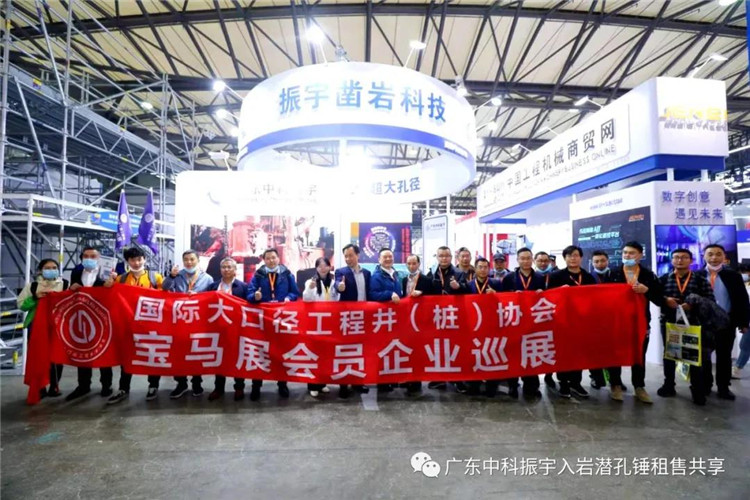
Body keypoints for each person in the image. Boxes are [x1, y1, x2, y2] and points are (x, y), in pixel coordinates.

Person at [104, 245, 165, 405]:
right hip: (128, 325)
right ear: (127, 261)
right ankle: (123, 388)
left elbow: (165, 299)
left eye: (139, 259)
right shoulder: (121, 279)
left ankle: (153, 386)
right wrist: (107, 285)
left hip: (150, 324)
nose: (136, 263)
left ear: (144, 259)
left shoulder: (156, 278)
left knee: (152, 354)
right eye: (132, 260)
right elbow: (111, 297)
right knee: (127, 356)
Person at [607, 241, 663, 404]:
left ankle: (639, 386)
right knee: (615, 353)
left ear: (640, 255)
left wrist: (647, 291)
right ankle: (615, 385)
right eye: (625, 252)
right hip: (617, 321)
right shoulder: (613, 273)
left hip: (640, 321)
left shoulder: (648, 275)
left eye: (631, 253)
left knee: (639, 354)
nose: (627, 255)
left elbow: (659, 299)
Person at [657, 248, 715, 406]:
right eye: (676, 257)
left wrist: (693, 304)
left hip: (693, 324)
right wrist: (665, 300)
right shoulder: (663, 279)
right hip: (670, 324)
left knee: (694, 357)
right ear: (672, 260)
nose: (680, 260)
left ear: (691, 260)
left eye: (684, 257)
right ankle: (669, 385)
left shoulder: (700, 280)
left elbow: (710, 300)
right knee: (669, 355)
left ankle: (697, 389)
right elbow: (655, 297)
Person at [162, 249, 215, 399]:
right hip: (179, 321)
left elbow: (211, 298)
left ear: (198, 260)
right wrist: (171, 276)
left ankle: (197, 383)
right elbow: (165, 288)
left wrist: (199, 297)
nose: (189, 262)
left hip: (198, 321)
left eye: (192, 259)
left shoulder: (207, 278)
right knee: (179, 353)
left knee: (196, 353)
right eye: (186, 260)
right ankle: (181, 383)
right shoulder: (177, 276)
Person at [247, 248, 298, 401]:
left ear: (278, 258)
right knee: (260, 352)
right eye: (268, 258)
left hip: (281, 318)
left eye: (273, 257)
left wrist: (289, 298)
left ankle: (282, 384)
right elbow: (249, 294)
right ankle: (256, 385)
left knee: (281, 351)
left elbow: (295, 292)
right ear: (264, 260)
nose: (271, 260)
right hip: (263, 319)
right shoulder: (258, 275)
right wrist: (255, 296)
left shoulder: (287, 274)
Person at [700, 244, 749, 400]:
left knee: (724, 356)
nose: (714, 257)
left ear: (724, 257)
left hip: (726, 323)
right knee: (704, 357)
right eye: (710, 254)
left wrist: (744, 323)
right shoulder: (696, 275)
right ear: (704, 256)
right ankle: (705, 385)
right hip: (703, 324)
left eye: (718, 254)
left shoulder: (733, 276)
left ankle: (723, 387)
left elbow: (742, 300)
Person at [548, 245, 597, 399]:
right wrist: (559, 292)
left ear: (581, 257)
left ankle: (576, 383)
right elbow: (548, 297)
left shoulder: (588, 277)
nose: (573, 258)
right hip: (562, 321)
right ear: (565, 258)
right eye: (569, 256)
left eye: (576, 255)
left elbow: (595, 298)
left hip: (582, 321)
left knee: (579, 352)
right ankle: (563, 383)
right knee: (563, 352)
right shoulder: (556, 276)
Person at [17, 258, 70, 399]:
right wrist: (35, 298)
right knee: (38, 356)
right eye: (47, 268)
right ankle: (40, 386)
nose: (51, 270)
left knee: (57, 356)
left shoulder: (64, 285)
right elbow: (21, 305)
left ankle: (54, 385)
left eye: (54, 267)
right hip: (37, 326)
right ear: (41, 270)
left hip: (58, 326)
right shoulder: (33, 286)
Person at [66, 247, 113, 401]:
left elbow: (114, 294)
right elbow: (72, 293)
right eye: (86, 256)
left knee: (104, 351)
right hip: (83, 317)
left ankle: (106, 385)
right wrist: (71, 288)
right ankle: (83, 385)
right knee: (83, 352)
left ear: (99, 258)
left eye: (93, 256)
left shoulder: (107, 273)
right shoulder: (76, 272)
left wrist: (111, 284)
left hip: (102, 317)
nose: (89, 259)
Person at [501, 248, 547, 399]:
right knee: (514, 353)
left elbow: (546, 299)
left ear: (532, 259)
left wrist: (542, 293)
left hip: (533, 321)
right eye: (522, 258)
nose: (525, 261)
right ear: (518, 260)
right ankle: (512, 385)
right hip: (514, 321)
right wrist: (512, 296)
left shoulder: (540, 277)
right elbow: (502, 298)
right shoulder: (509, 278)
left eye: (528, 258)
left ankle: (531, 386)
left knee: (531, 352)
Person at [426, 246, 468, 390]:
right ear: (437, 257)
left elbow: (467, 290)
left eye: (446, 256)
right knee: (439, 348)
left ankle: (458, 380)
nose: (444, 258)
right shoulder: (432, 273)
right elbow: (427, 292)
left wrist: (459, 287)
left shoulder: (459, 273)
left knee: (456, 348)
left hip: (454, 316)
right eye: (441, 256)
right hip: (437, 316)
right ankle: (439, 378)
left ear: (451, 257)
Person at [207, 257, 249, 402]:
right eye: (223, 267)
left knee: (238, 358)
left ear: (235, 269)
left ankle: (239, 387)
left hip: (237, 328)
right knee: (220, 358)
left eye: (229, 267)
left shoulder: (243, 287)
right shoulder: (213, 286)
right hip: (218, 328)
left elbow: (249, 307)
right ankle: (219, 388)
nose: (226, 270)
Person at [334, 244, 372, 398]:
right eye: (346, 256)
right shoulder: (341, 272)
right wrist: (340, 286)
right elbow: (337, 284)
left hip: (363, 317)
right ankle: (343, 385)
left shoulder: (367, 273)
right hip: (347, 317)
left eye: (351, 255)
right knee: (345, 351)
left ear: (358, 255)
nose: (348, 259)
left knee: (360, 351)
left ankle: (358, 382)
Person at [302, 257, 339, 397]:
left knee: (326, 355)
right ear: (316, 268)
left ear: (329, 267)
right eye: (320, 266)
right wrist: (310, 289)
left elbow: (337, 300)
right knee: (314, 354)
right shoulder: (310, 282)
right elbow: (306, 299)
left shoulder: (334, 282)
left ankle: (322, 383)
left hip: (329, 323)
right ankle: (312, 384)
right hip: (315, 323)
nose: (323, 268)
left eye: (325, 265)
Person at [466, 257, 503, 396]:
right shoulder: (469, 285)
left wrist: (496, 295)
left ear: (489, 268)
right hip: (473, 326)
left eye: (485, 267)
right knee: (474, 355)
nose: (483, 270)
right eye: (480, 267)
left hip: (492, 325)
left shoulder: (496, 283)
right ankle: (474, 385)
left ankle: (492, 386)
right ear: (475, 269)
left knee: (491, 354)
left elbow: (507, 301)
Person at [370, 248, 404, 394]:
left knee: (393, 349)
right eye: (385, 257)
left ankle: (392, 378)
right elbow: (373, 294)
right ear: (379, 260)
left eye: (390, 256)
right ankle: (382, 382)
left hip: (395, 319)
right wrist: (389, 294)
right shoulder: (376, 276)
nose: (388, 259)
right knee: (382, 350)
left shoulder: (395, 274)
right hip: (382, 319)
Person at [400, 254, 433, 395]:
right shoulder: (403, 280)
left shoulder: (426, 280)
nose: (412, 266)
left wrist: (422, 294)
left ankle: (416, 381)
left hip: (420, 320)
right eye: (409, 263)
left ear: (419, 264)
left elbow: (433, 298)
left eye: (414, 263)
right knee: (406, 349)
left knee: (417, 350)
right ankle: (407, 378)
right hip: (406, 319)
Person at [588, 250, 613, 389]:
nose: (600, 264)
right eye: (596, 261)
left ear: (607, 261)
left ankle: (615, 379)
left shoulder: (615, 275)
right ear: (592, 263)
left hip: (612, 318)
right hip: (593, 319)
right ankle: (595, 377)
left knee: (612, 350)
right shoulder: (588, 277)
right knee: (594, 350)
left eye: (603, 261)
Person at [533, 251, 556, 389]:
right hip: (535, 316)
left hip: (552, 316)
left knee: (551, 347)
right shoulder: (533, 277)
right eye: (540, 260)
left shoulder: (555, 275)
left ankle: (549, 375)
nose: (543, 263)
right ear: (535, 261)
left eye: (545, 261)